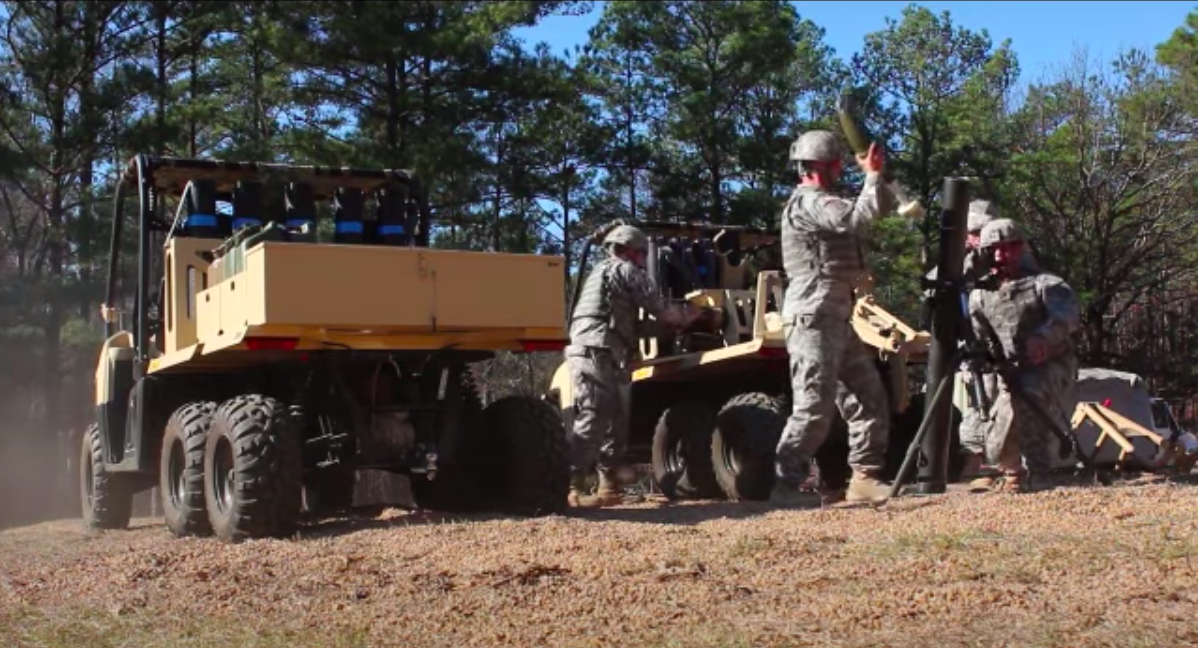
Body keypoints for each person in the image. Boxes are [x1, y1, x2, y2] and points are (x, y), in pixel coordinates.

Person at [771, 130, 905, 507]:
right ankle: (785, 487)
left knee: (869, 397)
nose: (841, 168)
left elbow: (870, 210)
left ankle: (864, 478)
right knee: (813, 408)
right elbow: (856, 221)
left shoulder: (825, 201)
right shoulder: (809, 203)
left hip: (836, 317)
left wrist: (875, 178)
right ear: (820, 166)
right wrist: (873, 175)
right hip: (813, 316)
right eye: (836, 163)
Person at [565, 224, 705, 508]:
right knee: (596, 409)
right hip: (595, 348)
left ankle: (608, 487)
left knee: (616, 419)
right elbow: (662, 310)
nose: (644, 260)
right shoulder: (624, 270)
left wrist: (664, 331)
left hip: (608, 349)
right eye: (642, 254)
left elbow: (629, 324)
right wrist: (690, 315)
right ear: (630, 250)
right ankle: (567, 483)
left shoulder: (604, 275)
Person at [967, 218, 1081, 493]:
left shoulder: (1047, 285)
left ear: (1022, 247)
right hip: (1007, 371)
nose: (1000, 255)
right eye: (994, 248)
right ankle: (1010, 471)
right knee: (997, 415)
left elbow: (1067, 319)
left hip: (1051, 365)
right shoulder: (980, 296)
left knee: (1029, 393)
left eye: (1009, 247)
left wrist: (1043, 338)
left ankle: (1039, 471)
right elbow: (980, 338)